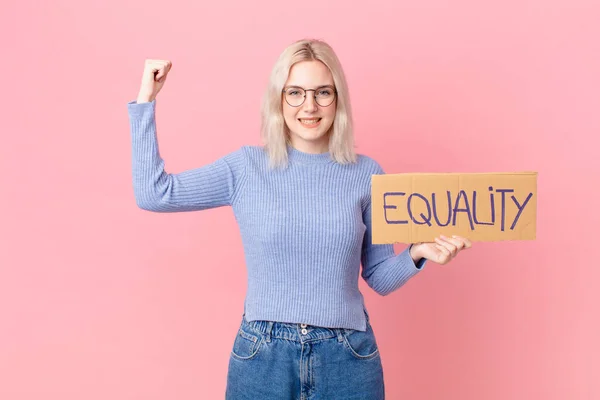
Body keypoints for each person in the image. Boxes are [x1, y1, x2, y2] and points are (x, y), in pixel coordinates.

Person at [127, 38, 472, 400]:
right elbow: (155, 194)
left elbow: (380, 277)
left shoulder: (367, 175)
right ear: (279, 99)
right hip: (263, 356)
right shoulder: (246, 167)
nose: (309, 105)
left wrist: (418, 253)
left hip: (348, 357)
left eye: (322, 92)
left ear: (338, 99)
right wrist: (146, 100)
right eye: (295, 92)